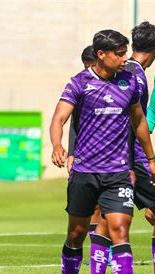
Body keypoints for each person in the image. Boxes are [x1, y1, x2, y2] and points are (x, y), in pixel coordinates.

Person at [50, 29, 155, 274]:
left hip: (118, 172)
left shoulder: (129, 82)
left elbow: (139, 122)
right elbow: (59, 117)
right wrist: (57, 146)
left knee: (120, 229)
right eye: (119, 53)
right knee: (76, 234)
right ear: (101, 54)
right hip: (85, 172)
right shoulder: (79, 83)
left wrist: (149, 159)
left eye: (126, 52)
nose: (125, 58)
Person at [82, 21, 155, 274]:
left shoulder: (123, 70)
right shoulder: (137, 76)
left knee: (106, 219)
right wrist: (147, 160)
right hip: (131, 159)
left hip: (109, 159)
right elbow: (136, 122)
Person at [67, 45, 99, 243]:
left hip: (112, 157)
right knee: (89, 207)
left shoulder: (119, 84)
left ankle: (106, 250)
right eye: (86, 66)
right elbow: (73, 122)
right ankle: (100, 251)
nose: (88, 71)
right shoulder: (80, 84)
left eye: (91, 66)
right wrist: (71, 153)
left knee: (106, 207)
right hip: (84, 156)